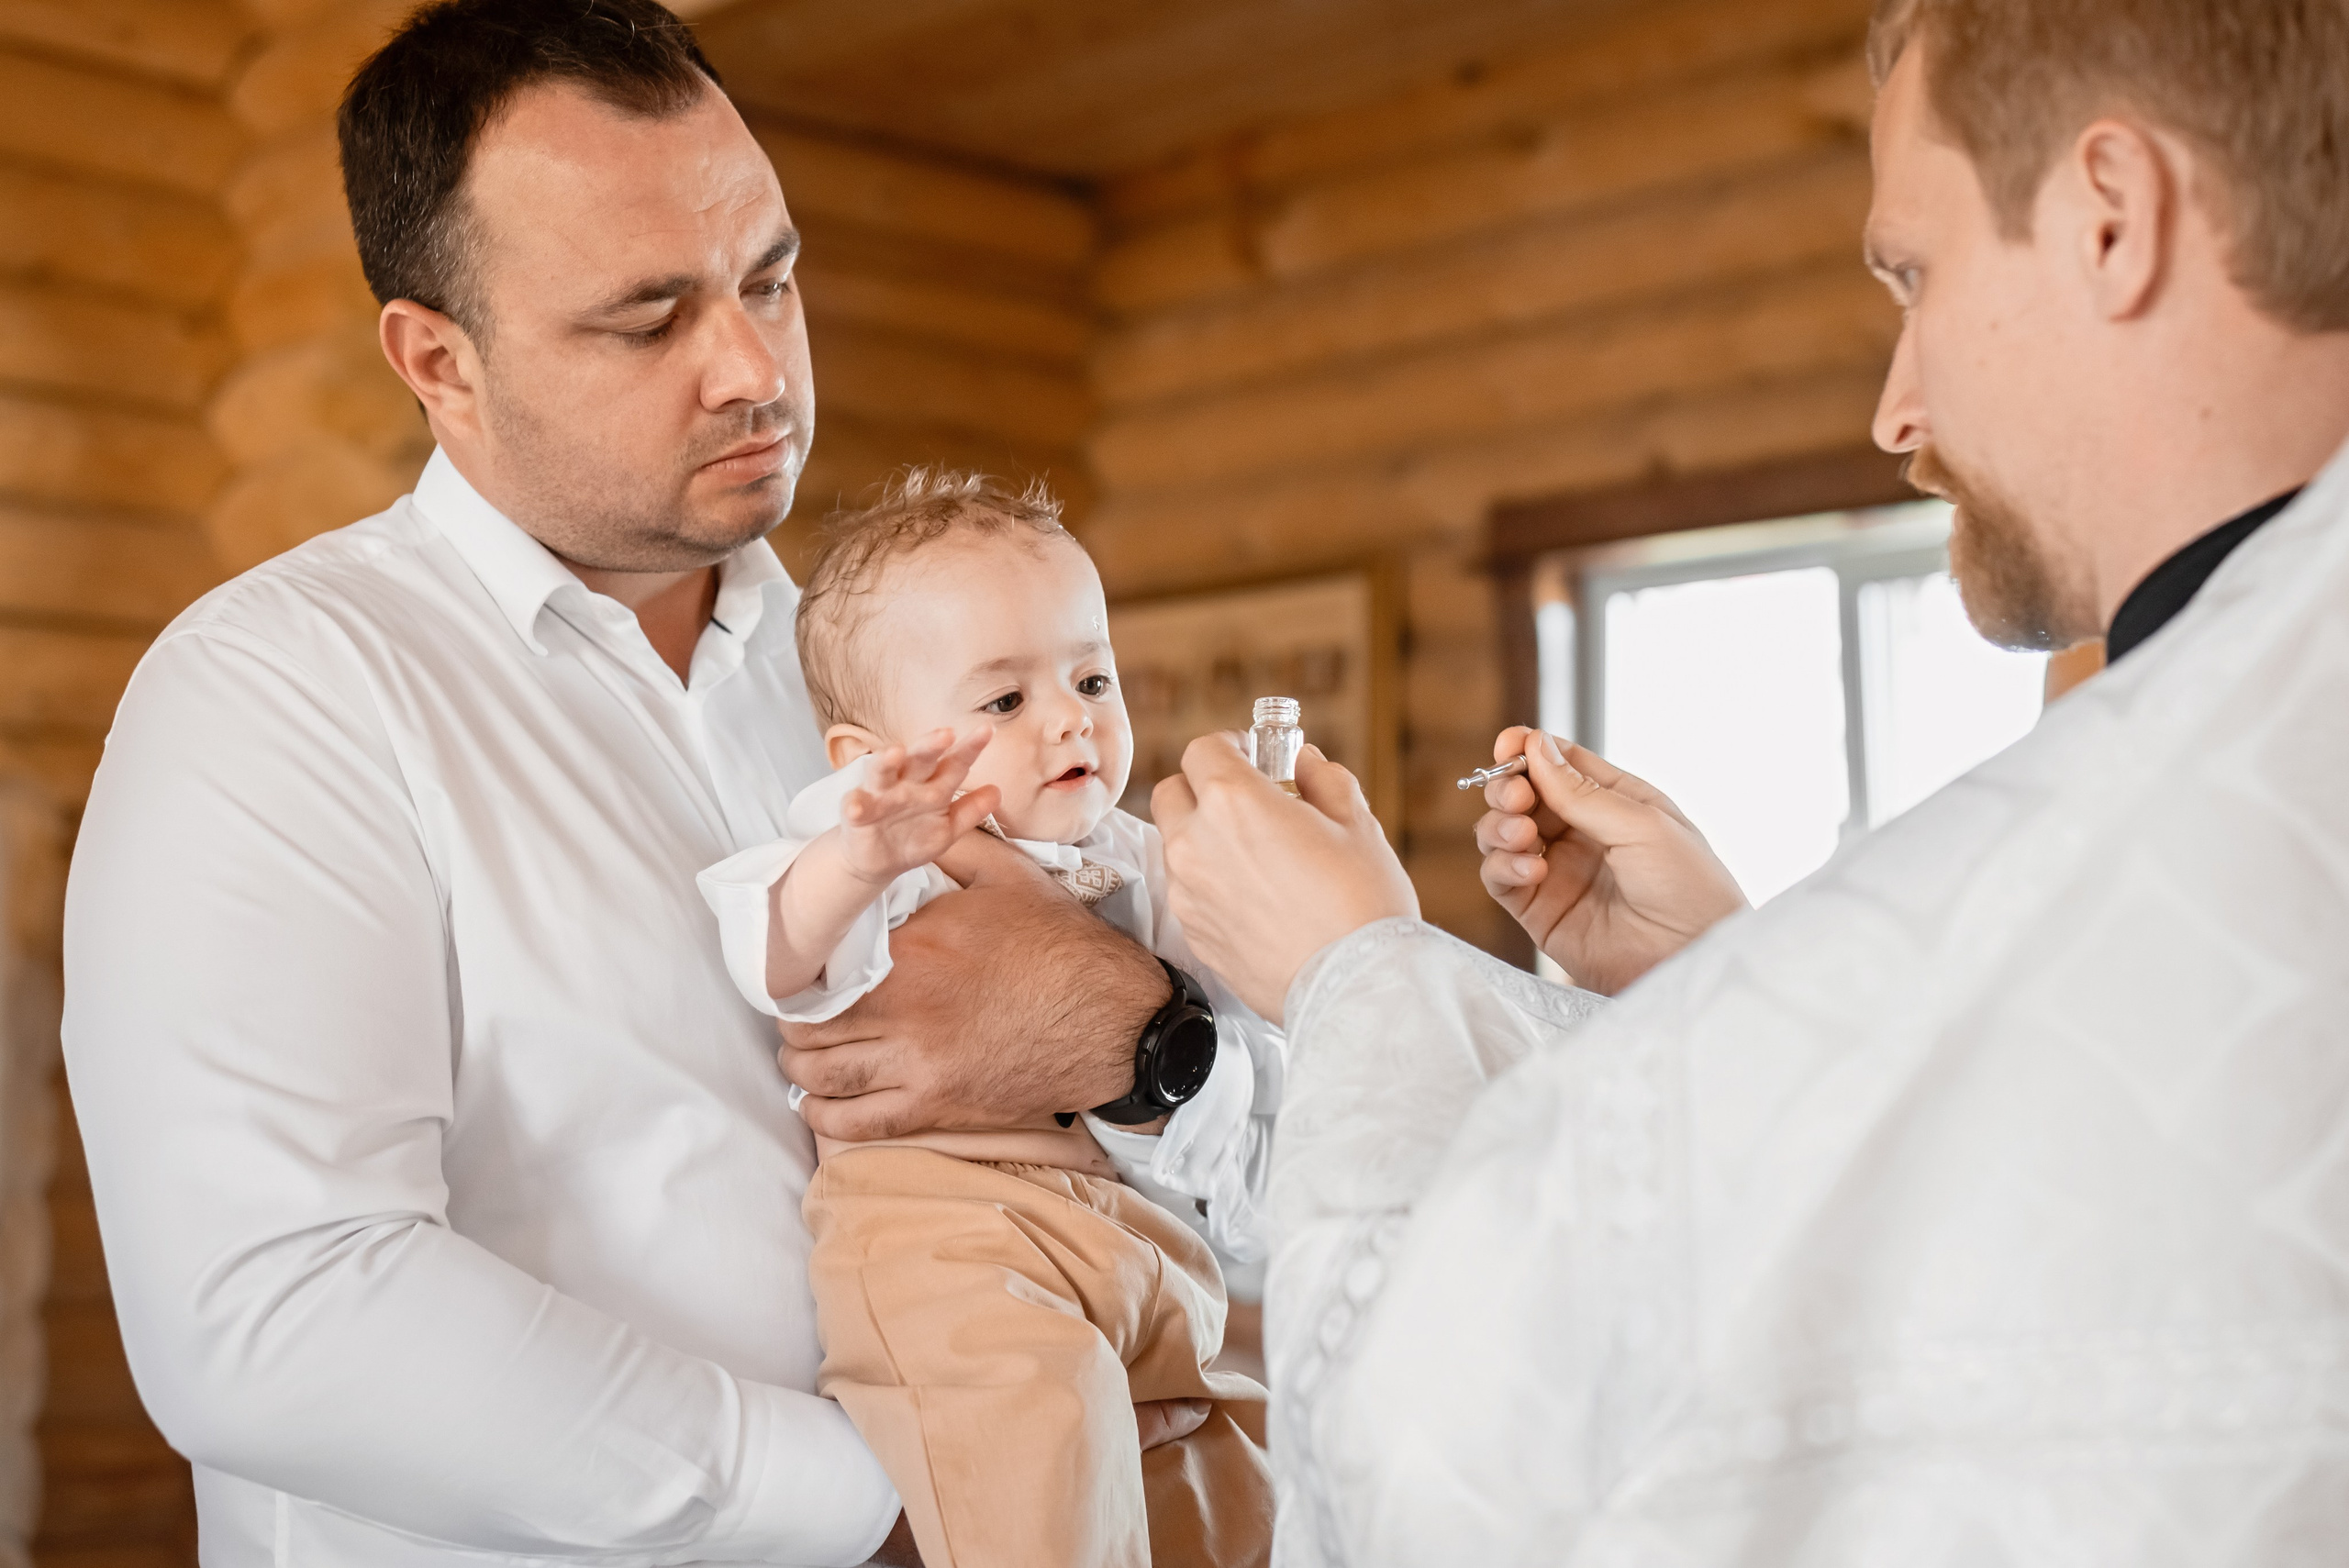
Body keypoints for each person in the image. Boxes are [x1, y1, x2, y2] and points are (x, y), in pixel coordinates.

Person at [58, 2, 1272, 1562]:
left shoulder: (894, 672)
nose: (755, 367)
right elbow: (274, 1308)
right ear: (438, 359)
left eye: (770, 277)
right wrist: (883, 1503)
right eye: (649, 317)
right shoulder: (276, 694)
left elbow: (1272, 1140)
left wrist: (1147, 1041)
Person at [1154, 0, 2349, 1560]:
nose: (1895, 408)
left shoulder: (2151, 796)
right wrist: (1731, 963)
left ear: (2110, 218)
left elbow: (1433, 1455)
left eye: (1914, 277)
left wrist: (1356, 978)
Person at [696, 468, 1275, 1568]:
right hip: (939, 1227)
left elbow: (1239, 1007)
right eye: (1004, 701)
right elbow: (772, 952)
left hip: (1128, 1226)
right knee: (1034, 1438)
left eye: (1092, 677)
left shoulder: (1132, 851)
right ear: (869, 764)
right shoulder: (874, 849)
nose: (1071, 719)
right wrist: (860, 856)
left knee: (1225, 1456)